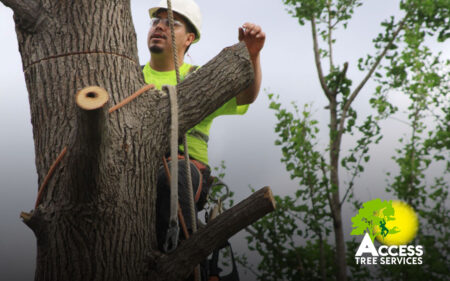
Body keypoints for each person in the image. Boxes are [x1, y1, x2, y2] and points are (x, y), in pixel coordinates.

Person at [143, 0, 265, 253]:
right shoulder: (130, 76)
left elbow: (246, 95)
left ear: (189, 38)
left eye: (170, 23)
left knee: (171, 177)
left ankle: (178, 256)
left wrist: (252, 55)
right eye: (156, 21)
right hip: (136, 170)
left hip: (182, 170)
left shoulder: (198, 79)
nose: (159, 27)